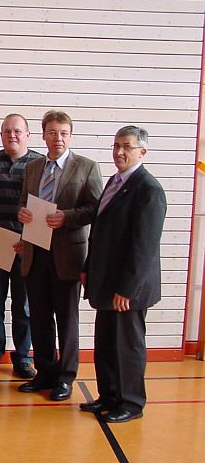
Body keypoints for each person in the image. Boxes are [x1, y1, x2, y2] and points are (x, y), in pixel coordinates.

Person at [80, 126, 166, 423]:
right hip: (105, 281)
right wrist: (88, 268)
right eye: (116, 145)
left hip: (127, 288)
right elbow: (100, 232)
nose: (119, 152)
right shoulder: (115, 182)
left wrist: (127, 289)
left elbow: (144, 247)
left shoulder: (148, 189)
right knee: (105, 343)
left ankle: (131, 402)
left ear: (142, 152)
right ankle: (109, 395)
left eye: (127, 147)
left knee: (127, 346)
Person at [16, 110, 102, 401]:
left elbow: (95, 209)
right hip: (35, 251)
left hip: (67, 255)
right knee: (39, 318)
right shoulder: (32, 167)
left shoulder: (87, 167)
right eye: (52, 132)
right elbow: (22, 202)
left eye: (63, 133)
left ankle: (65, 377)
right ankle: (45, 372)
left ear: (70, 136)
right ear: (43, 135)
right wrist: (21, 212)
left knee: (67, 320)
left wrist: (66, 217)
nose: (58, 138)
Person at [0, 114, 42, 378]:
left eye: (17, 131)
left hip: (26, 248)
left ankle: (23, 358)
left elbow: (46, 207)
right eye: (7, 132)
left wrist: (31, 241)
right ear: (1, 135)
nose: (12, 135)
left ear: (28, 135)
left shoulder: (40, 164)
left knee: (24, 308)